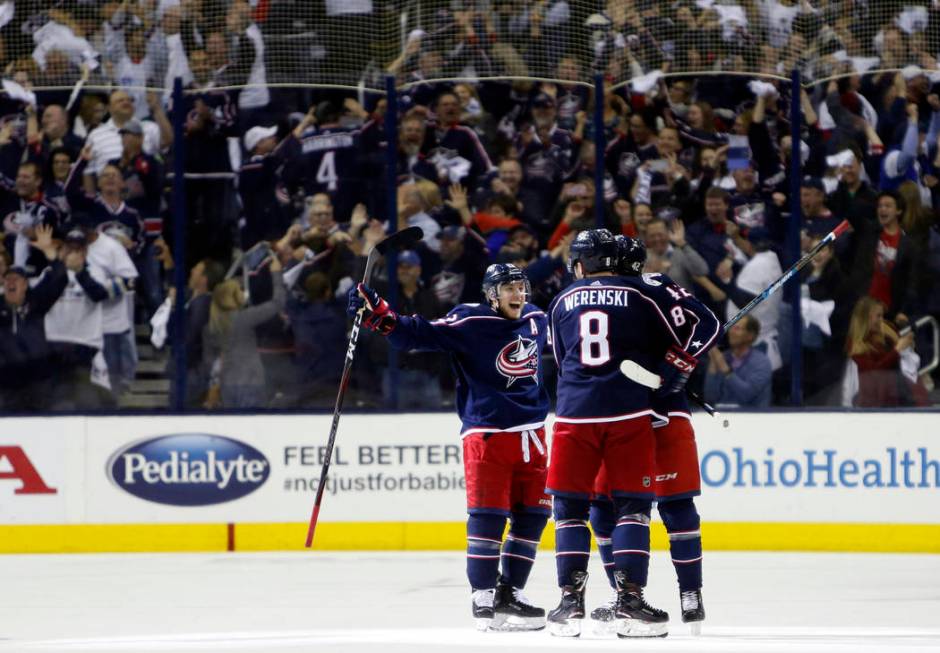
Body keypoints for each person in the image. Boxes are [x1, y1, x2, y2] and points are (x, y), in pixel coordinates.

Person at [348, 263, 550, 632]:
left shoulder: (537, 319)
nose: (518, 294)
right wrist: (378, 315)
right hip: (487, 435)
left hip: (534, 436)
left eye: (521, 287)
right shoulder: (469, 322)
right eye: (509, 288)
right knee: (489, 516)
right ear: (491, 293)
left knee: (533, 517)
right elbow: (415, 334)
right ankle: (483, 596)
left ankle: (510, 594)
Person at [545, 229, 720, 639]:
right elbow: (699, 325)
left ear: (581, 264)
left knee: (572, 510)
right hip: (631, 412)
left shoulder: (559, 300)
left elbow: (559, 357)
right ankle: (632, 600)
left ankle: (570, 605)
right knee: (635, 509)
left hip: (574, 412)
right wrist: (681, 361)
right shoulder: (643, 293)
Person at [703, 315, 773, 408]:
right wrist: (713, 365)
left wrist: (725, 369)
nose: (731, 331)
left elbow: (746, 395)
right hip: (724, 416)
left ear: (750, 335)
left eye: (737, 328)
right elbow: (710, 398)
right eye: (731, 327)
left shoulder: (762, 362)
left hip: (753, 417)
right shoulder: (723, 357)